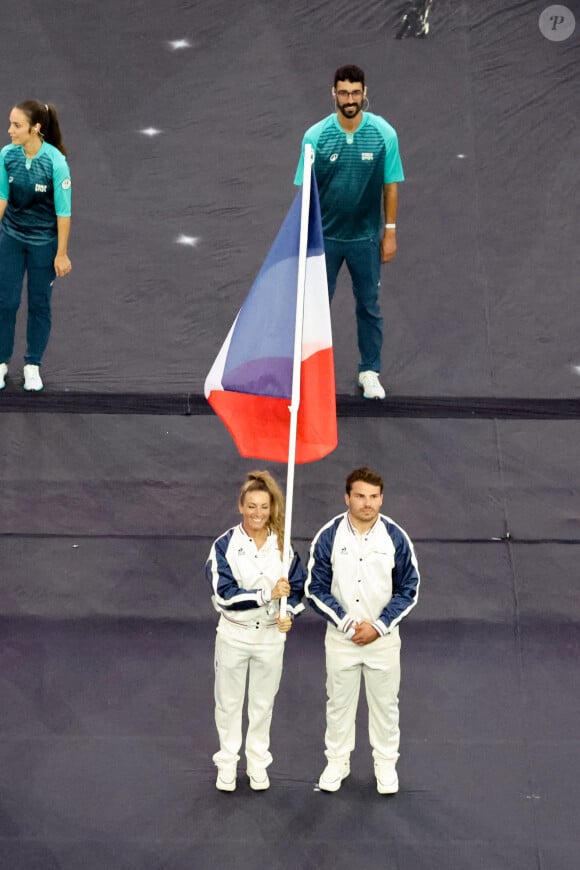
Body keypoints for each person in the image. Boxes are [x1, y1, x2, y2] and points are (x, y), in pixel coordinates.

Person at [305, 466, 419, 794]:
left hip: (382, 640)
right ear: (347, 497)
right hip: (341, 639)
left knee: (385, 705)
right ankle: (337, 762)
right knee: (338, 703)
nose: (367, 503)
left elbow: (409, 588)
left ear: (381, 499)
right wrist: (346, 622)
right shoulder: (329, 535)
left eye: (373, 497)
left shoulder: (395, 537)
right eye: (360, 496)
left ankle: (385, 766)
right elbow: (315, 587)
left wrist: (380, 626)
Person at [294, 64, 404, 400]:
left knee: (368, 305)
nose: (350, 99)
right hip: (324, 239)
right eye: (343, 93)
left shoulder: (384, 134)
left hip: (366, 239)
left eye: (355, 93)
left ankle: (369, 371)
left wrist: (390, 232)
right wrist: (303, 239)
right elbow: (305, 192)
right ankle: (309, 374)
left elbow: (391, 186)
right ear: (334, 94)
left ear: (365, 93)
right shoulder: (315, 137)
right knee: (315, 308)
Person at [205, 470, 306, 792]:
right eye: (251, 506)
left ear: (272, 507)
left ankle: (258, 764)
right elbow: (225, 594)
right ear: (240, 506)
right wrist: (266, 596)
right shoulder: (225, 545)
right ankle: (227, 763)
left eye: (264, 506)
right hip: (235, 635)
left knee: (263, 705)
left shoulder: (283, 545)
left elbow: (299, 588)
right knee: (229, 703)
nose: (257, 513)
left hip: (270, 638)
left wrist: (288, 611)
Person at [0, 100, 72, 392]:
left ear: (36, 128)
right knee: (6, 302)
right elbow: (2, 198)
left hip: (44, 244)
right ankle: (1, 362)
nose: (10, 130)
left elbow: (63, 212)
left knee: (39, 305)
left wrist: (62, 253)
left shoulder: (56, 162)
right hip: (12, 240)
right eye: (10, 124)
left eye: (16, 125)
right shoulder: (7, 156)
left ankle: (32, 365)